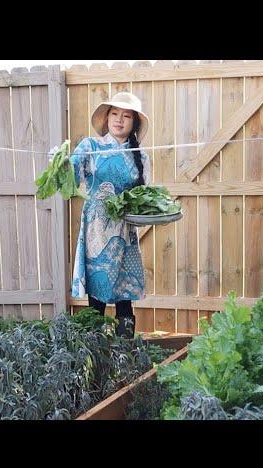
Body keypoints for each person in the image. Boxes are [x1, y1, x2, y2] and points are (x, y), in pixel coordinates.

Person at [69, 92, 151, 338]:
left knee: (124, 294)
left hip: (126, 231)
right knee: (98, 291)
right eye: (114, 114)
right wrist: (62, 162)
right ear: (106, 118)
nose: (119, 119)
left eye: (126, 116)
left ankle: (125, 350)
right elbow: (72, 179)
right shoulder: (90, 147)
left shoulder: (141, 156)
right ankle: (94, 351)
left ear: (134, 123)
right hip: (98, 230)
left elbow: (143, 198)